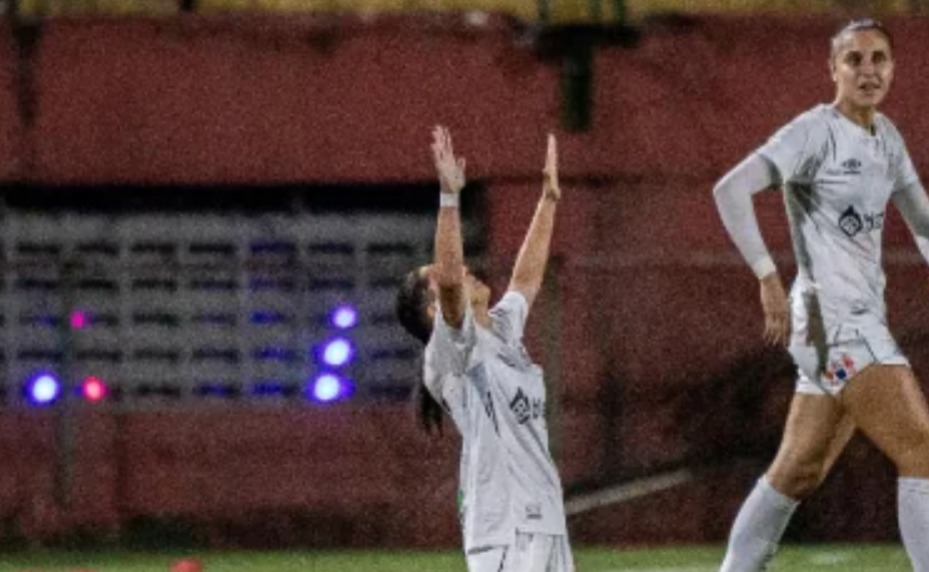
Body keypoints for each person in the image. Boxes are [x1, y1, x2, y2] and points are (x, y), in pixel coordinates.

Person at [713, 19, 929, 571]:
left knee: (797, 471)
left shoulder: (887, 138)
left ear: (893, 69)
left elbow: (923, 224)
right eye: (853, 60)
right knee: (921, 446)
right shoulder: (813, 132)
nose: (868, 70)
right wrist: (765, 275)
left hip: (853, 320)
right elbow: (730, 190)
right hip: (832, 322)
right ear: (832, 69)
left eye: (879, 58)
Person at [396, 126, 574, 572]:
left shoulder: (501, 330)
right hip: (505, 532)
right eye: (438, 273)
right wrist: (449, 199)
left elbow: (527, 279)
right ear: (435, 311)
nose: (461, 268)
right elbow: (453, 280)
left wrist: (548, 200)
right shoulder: (454, 353)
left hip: (544, 522)